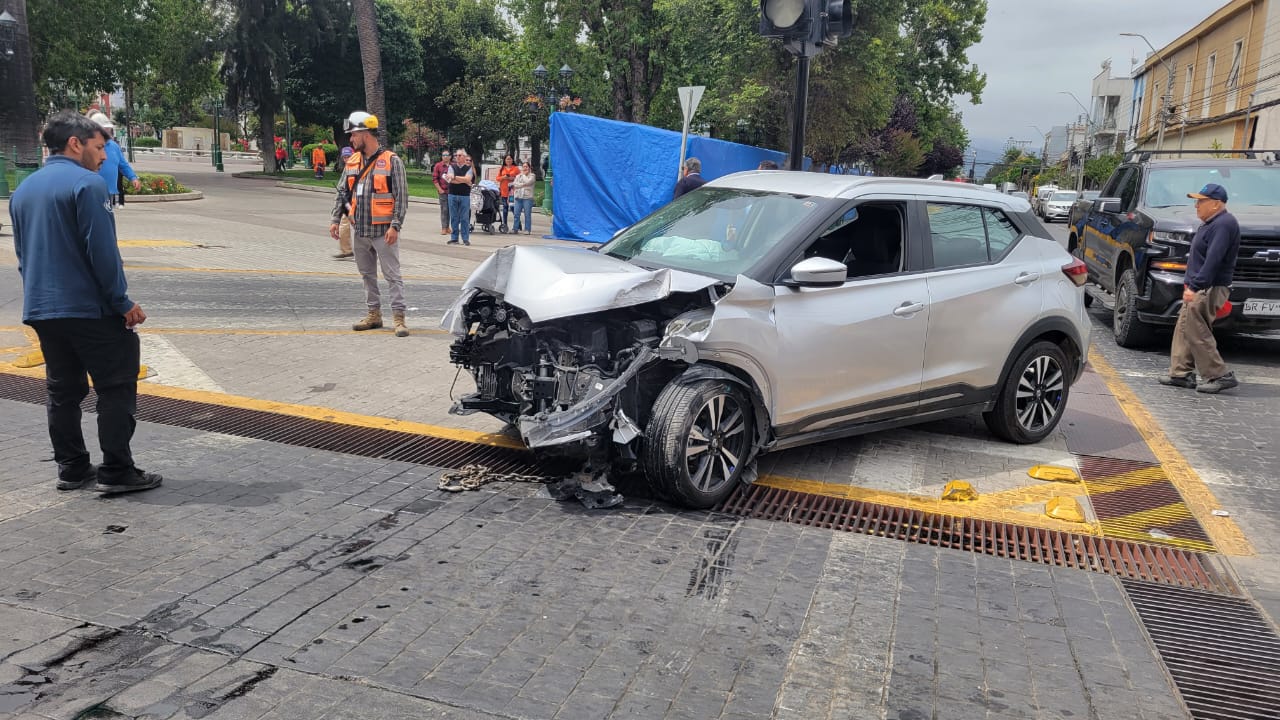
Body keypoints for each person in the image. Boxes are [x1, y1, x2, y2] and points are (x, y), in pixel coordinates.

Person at [8, 110, 162, 495]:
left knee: (62, 391)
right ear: (75, 144)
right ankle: (117, 470)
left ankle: (72, 468)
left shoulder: (24, 190)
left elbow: (23, 254)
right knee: (116, 385)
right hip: (89, 309)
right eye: (99, 146)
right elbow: (102, 252)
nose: (105, 156)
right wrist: (121, 301)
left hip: (43, 309)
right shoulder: (88, 185)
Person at [329, 111, 411, 337]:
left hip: (384, 232)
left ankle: (399, 318)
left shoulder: (392, 161)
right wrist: (337, 218)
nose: (351, 140)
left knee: (392, 275)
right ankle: (374, 314)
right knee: (367, 275)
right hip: (361, 231)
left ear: (365, 133)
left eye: (353, 135)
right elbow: (342, 192)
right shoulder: (353, 162)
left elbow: (401, 198)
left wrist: (395, 226)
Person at [1159, 182, 1241, 394]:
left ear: (1215, 204)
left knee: (1197, 330)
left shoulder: (1223, 224)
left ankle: (1218, 374)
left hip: (1208, 287)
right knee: (1185, 327)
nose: (1196, 205)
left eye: (1201, 201)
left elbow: (1214, 260)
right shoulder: (1212, 223)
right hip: (1201, 285)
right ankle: (1180, 373)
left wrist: (1195, 286)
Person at [87, 112, 140, 207]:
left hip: (109, 192)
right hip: (92, 191)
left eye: (108, 129)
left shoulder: (114, 146)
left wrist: (133, 178)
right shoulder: (86, 145)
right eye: (105, 129)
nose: (107, 131)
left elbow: (123, 164)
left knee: (106, 218)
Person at [446, 148, 475, 246]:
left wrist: (455, 177)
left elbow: (468, 179)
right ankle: (454, 238)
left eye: (459, 155)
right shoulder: (451, 167)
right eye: (456, 155)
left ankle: (465, 238)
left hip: (464, 196)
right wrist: (462, 180)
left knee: (464, 218)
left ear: (464, 157)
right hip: (452, 194)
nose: (457, 157)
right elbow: (450, 179)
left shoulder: (468, 168)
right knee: (454, 217)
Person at [333, 146, 355, 259]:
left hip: (356, 202)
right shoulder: (347, 168)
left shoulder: (357, 167)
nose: (347, 159)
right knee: (343, 225)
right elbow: (342, 187)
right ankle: (346, 250)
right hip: (347, 202)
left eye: (349, 156)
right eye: (345, 157)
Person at [511, 160, 536, 235]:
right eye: (524, 166)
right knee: (516, 214)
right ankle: (515, 228)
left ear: (529, 168)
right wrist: (523, 184)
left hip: (527, 197)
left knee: (527, 214)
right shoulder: (518, 176)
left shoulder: (532, 175)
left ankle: (527, 229)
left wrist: (524, 175)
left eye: (526, 167)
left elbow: (528, 182)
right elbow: (515, 184)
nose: (525, 168)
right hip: (518, 197)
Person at [496, 154, 520, 230]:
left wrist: (511, 178)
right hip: (504, 191)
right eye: (507, 159)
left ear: (512, 160)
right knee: (505, 208)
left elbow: (519, 178)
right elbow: (498, 178)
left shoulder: (515, 168)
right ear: (504, 160)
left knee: (513, 208)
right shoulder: (502, 168)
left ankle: (517, 224)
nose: (508, 160)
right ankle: (505, 225)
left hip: (512, 191)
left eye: (510, 159)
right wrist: (504, 177)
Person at [432, 150, 453, 236]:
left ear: (450, 157)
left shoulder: (453, 165)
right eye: (443, 155)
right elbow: (435, 179)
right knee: (444, 210)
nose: (444, 156)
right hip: (443, 191)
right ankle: (444, 228)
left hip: (452, 191)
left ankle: (448, 227)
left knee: (451, 210)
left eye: (446, 155)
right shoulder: (438, 166)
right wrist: (439, 189)